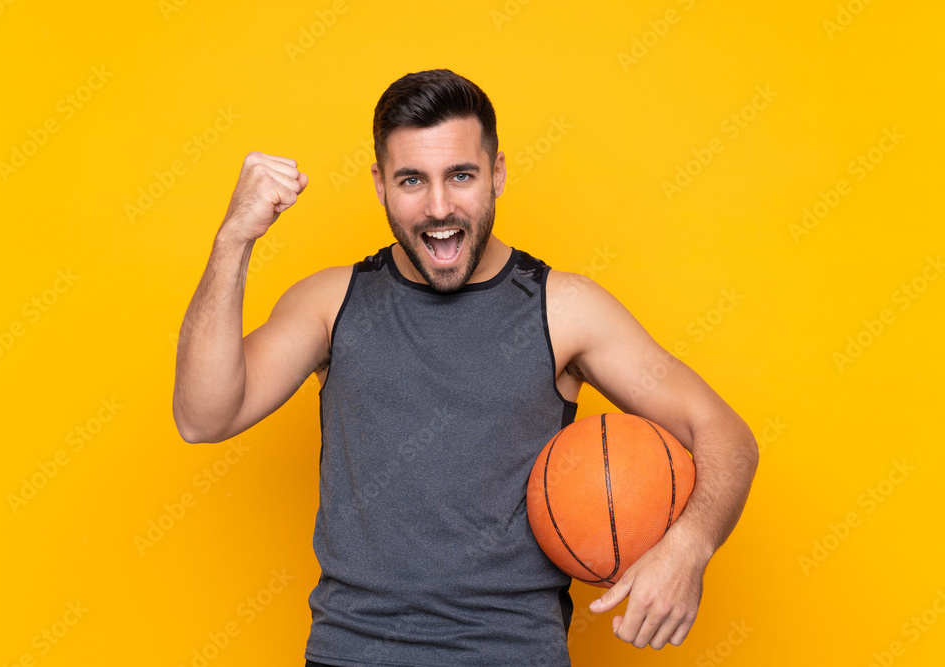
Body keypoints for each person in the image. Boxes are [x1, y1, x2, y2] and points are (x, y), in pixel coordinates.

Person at [172, 69, 759, 666]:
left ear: (496, 173)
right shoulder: (329, 305)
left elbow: (724, 433)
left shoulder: (565, 310)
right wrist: (233, 240)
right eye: (411, 180)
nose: (438, 206)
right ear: (379, 184)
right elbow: (202, 416)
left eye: (461, 175)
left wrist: (689, 545)